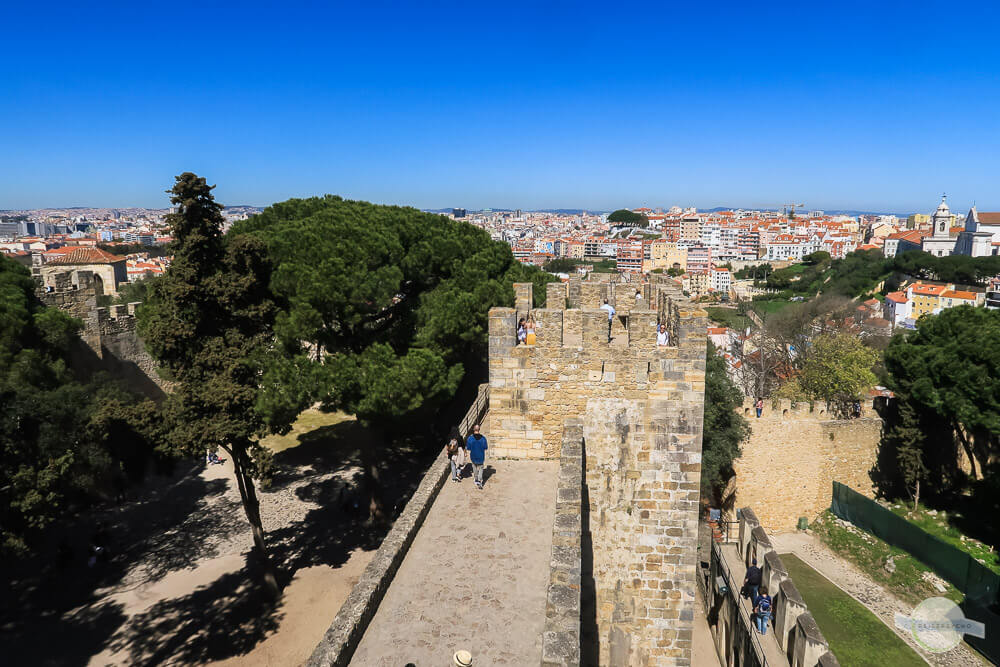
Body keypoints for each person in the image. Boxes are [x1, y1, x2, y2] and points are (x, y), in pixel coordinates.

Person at [465, 423, 488, 489]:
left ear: (473, 429)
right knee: (481, 468)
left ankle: (476, 479)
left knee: (474, 467)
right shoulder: (483, 438)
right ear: (479, 429)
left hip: (473, 455)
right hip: (481, 455)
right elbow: (485, 447)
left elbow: (468, 448)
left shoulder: (470, 438)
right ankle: (480, 480)